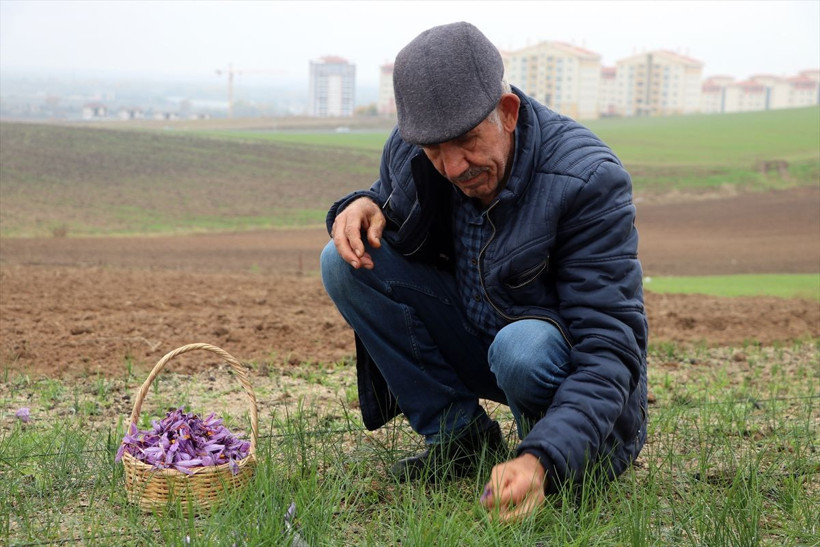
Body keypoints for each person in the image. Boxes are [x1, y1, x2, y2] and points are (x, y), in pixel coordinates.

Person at [320, 21, 648, 522]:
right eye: (435, 151)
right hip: (479, 337)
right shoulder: (417, 147)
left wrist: (545, 457)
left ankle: (546, 464)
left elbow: (609, 348)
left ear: (508, 112)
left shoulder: (587, 180)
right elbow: (396, 200)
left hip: (553, 366)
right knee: (343, 261)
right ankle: (460, 441)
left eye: (467, 141)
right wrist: (366, 203)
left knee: (522, 349)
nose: (453, 167)